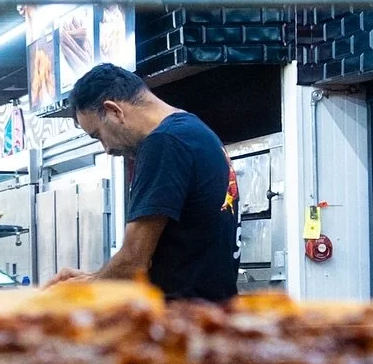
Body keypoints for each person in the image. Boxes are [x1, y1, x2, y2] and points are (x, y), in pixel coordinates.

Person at [48, 64, 240, 301]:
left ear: (113, 111)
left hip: (180, 325)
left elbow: (132, 263)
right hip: (212, 317)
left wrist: (75, 292)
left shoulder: (164, 142)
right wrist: (92, 278)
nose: (106, 149)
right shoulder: (195, 131)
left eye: (98, 135)